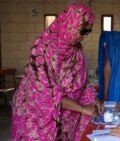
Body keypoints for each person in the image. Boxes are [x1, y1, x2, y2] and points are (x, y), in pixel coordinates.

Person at [11, 3, 104, 141]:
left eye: (88, 32)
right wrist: (83, 108)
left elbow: (83, 83)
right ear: (71, 23)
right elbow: (47, 95)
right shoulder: (42, 49)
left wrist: (94, 99)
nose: (85, 36)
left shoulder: (76, 49)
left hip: (67, 114)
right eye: (83, 31)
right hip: (37, 116)